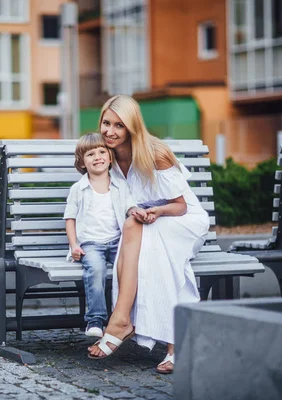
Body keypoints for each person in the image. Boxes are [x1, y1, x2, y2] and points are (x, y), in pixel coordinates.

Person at [87, 95, 210, 375]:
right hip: (145, 225)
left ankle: (121, 321)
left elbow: (181, 206)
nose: (109, 131)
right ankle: (173, 344)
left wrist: (155, 212)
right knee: (136, 228)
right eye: (106, 123)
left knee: (151, 243)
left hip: (182, 220)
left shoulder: (155, 153)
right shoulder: (107, 156)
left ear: (132, 127)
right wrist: (136, 211)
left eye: (119, 126)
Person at [64, 132, 145, 338]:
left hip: (117, 242)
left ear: (110, 157)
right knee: (96, 269)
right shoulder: (78, 189)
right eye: (91, 154)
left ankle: (132, 317)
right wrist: (74, 245)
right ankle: (96, 319)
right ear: (82, 162)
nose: (97, 157)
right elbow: (70, 218)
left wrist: (136, 211)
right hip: (91, 244)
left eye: (102, 152)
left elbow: (129, 207)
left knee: (133, 267)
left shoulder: (120, 185)